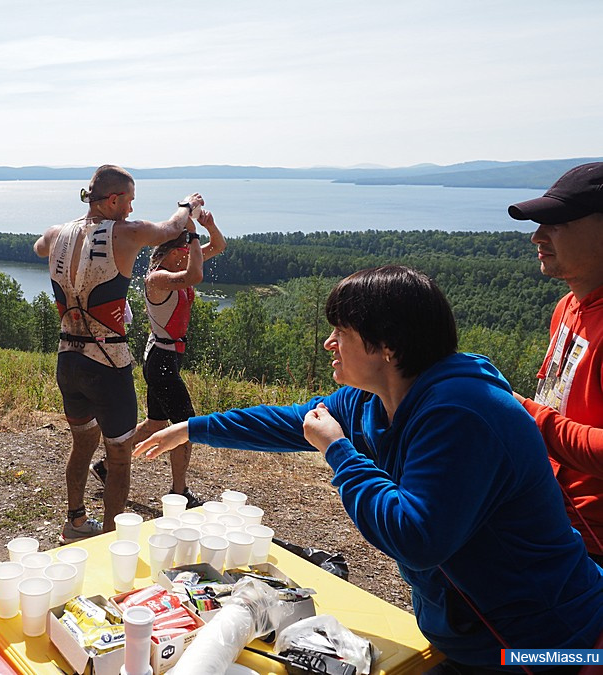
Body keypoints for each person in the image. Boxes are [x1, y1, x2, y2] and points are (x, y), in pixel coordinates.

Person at [135, 265, 603, 671]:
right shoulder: (370, 400)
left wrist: (339, 452)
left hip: (545, 647)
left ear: (388, 347)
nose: (328, 342)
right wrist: (193, 428)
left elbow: (416, 537)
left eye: (341, 331)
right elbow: (292, 421)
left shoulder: (463, 414)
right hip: (470, 638)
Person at [34, 164, 203, 542]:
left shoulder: (55, 234)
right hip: (108, 362)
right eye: (128, 201)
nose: (129, 209)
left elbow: (39, 247)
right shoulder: (125, 233)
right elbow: (172, 228)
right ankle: (111, 541)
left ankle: (75, 522)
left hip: (68, 357)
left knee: (81, 445)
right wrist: (187, 206)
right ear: (113, 199)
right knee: (119, 455)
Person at [92, 210, 226, 508]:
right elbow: (196, 274)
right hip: (162, 361)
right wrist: (192, 235)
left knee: (155, 422)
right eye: (186, 248)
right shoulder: (158, 278)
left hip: (165, 357)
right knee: (185, 425)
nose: (190, 253)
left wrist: (208, 226)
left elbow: (218, 247)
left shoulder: (176, 264)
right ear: (176, 250)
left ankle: (106, 466)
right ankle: (179, 493)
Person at [508, 163, 603, 564]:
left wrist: (526, 415)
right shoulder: (568, 306)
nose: (536, 236)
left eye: (555, 222)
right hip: (552, 515)